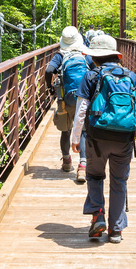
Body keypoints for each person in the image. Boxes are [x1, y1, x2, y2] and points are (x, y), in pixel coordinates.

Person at [70, 33, 136, 243]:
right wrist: (135, 135)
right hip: (124, 138)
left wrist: (76, 138)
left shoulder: (91, 76)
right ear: (116, 56)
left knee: (95, 176)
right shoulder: (130, 76)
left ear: (93, 57)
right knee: (119, 181)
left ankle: (97, 217)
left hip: (96, 137)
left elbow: (82, 110)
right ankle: (116, 230)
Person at [44, 26, 93, 181]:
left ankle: (66, 162)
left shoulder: (61, 54)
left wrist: (50, 88)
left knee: (65, 131)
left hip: (67, 99)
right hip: (84, 97)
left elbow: (48, 71)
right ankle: (83, 168)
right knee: (84, 131)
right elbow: (96, 70)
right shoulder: (85, 53)